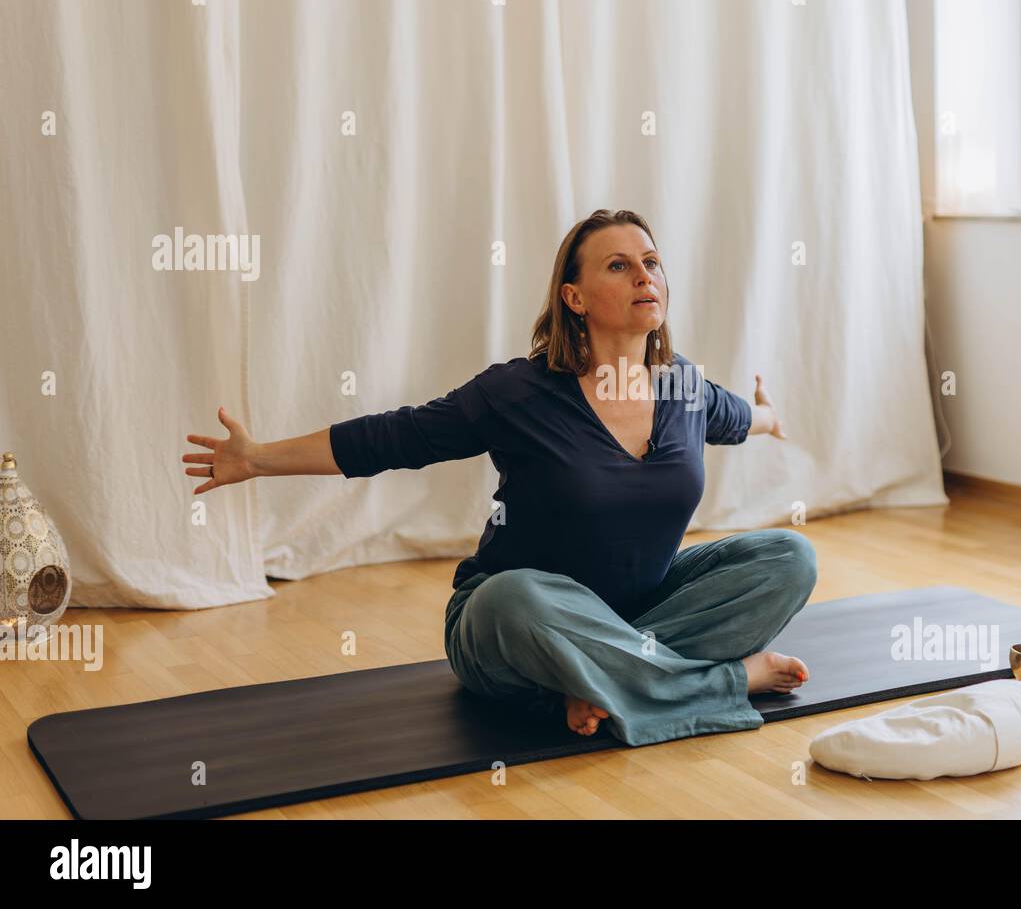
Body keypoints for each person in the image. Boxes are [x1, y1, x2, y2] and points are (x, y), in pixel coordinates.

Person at [182, 208, 818, 747]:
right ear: (574, 297)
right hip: (516, 621)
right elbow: (391, 437)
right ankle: (721, 683)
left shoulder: (685, 385)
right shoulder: (519, 393)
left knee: (789, 556)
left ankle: (585, 684)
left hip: (637, 613)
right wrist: (256, 457)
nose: (644, 275)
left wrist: (770, 414)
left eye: (651, 262)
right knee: (512, 596)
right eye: (618, 266)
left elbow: (741, 417)